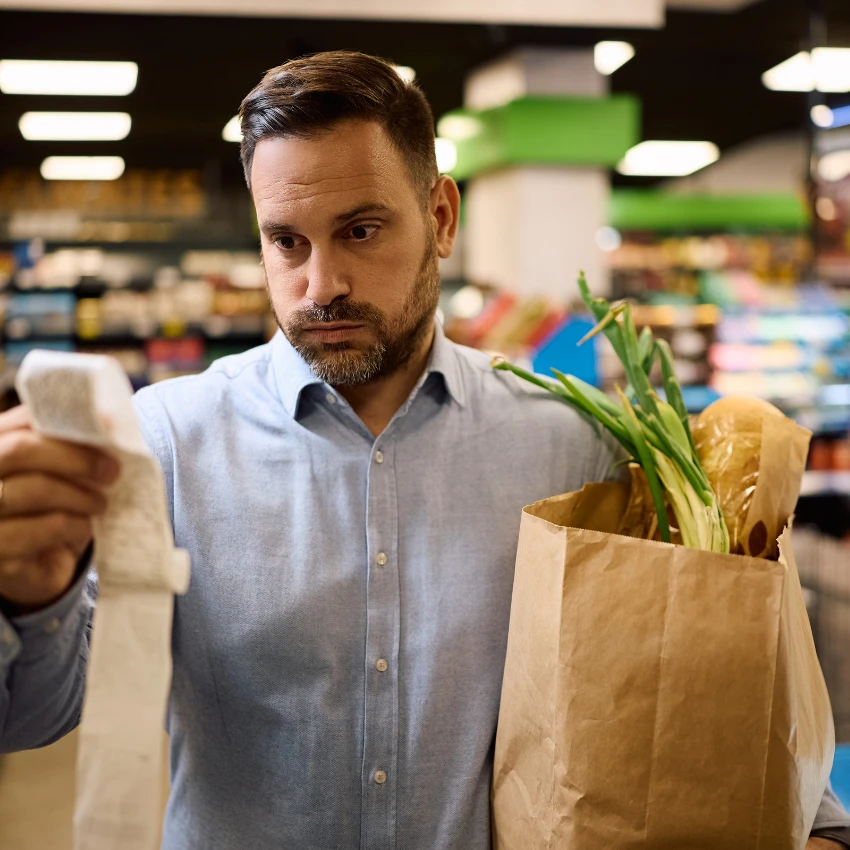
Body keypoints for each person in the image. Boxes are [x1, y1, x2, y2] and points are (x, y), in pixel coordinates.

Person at [0, 50, 847, 850]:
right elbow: (36, 718)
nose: (319, 283)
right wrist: (36, 597)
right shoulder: (169, 440)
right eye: (285, 242)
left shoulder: (575, 440)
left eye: (360, 231)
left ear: (440, 217)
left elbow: (695, 662)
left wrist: (814, 816)